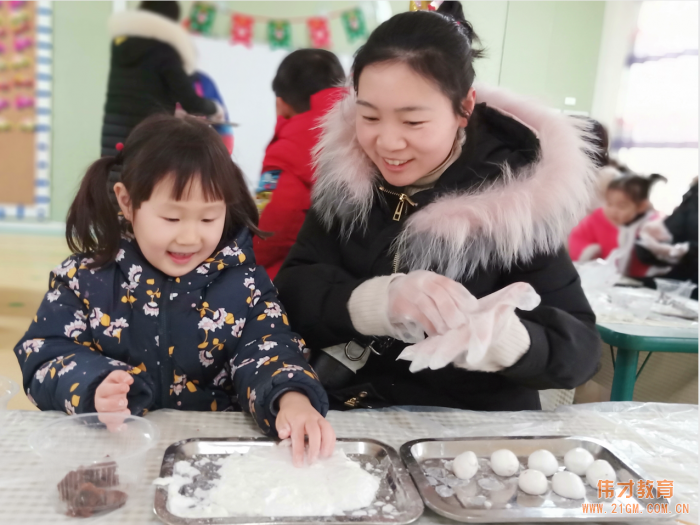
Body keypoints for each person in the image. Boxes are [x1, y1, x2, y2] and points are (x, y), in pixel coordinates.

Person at [274, 2, 601, 412]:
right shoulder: (348, 183)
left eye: (413, 122)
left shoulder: (516, 200)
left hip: (468, 432)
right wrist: (377, 302)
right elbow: (291, 290)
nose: (387, 143)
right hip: (352, 415)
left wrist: (504, 341)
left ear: (464, 108)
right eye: (370, 117)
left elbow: (582, 353)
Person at [14, 115, 333, 465]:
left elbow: (269, 348)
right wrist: (92, 384)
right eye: (172, 218)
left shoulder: (245, 285)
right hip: (113, 459)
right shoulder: (84, 279)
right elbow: (43, 351)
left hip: (213, 460)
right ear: (126, 201)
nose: (189, 237)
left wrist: (291, 397)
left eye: (208, 219)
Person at [253, 49, 345, 280]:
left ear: (281, 103)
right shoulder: (364, 126)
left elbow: (267, 223)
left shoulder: (285, 151)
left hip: (301, 280)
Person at [101, 1, 224, 157]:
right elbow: (188, 100)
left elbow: (142, 89)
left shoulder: (121, 45)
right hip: (147, 131)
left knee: (113, 173)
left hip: (113, 128)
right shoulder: (164, 51)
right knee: (141, 179)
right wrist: (215, 108)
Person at [569, 173, 666, 278]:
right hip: (601, 277)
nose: (613, 211)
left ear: (641, 206)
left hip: (638, 281)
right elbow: (577, 236)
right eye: (609, 203)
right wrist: (589, 252)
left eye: (622, 206)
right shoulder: (598, 219)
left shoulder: (652, 226)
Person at [635, 179, 698, 298]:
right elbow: (672, 230)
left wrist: (690, 249)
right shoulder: (694, 193)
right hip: (678, 279)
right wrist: (652, 239)